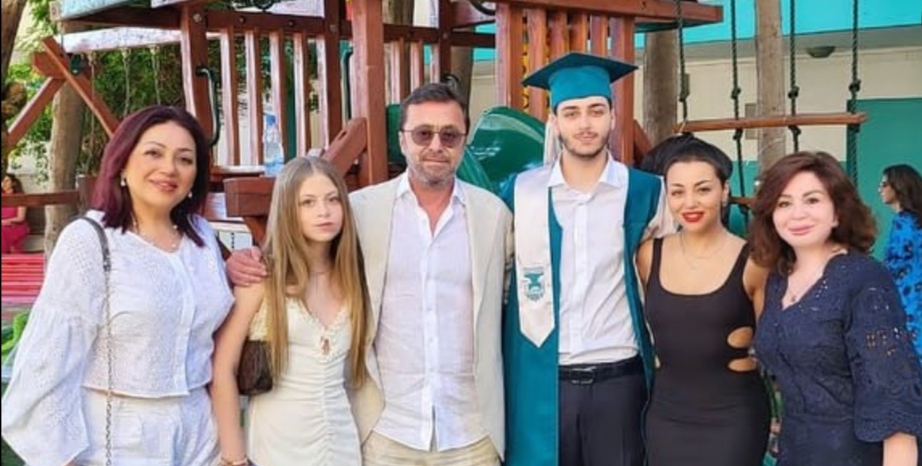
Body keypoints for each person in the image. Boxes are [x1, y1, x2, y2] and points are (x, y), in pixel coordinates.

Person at [226, 83, 512, 466]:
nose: (436, 145)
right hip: (385, 431)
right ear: (402, 139)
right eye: (423, 134)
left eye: (449, 135)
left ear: (464, 140)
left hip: (471, 434)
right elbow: (304, 247)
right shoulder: (360, 211)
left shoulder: (493, 216)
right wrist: (244, 260)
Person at [1, 105, 233, 465]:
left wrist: (238, 269)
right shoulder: (90, 240)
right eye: (154, 153)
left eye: (185, 159)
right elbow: (45, 364)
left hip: (202, 435)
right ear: (122, 162)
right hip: (118, 439)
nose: (169, 168)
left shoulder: (201, 238)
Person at [504, 52, 672, 466]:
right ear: (554, 121)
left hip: (620, 381)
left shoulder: (647, 192)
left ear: (613, 116)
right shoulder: (519, 193)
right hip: (542, 380)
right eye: (571, 113)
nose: (585, 124)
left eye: (596, 111)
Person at [749, 151, 922, 466]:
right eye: (784, 203)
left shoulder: (863, 279)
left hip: (860, 454)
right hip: (799, 450)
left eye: (812, 200)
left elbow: (896, 403)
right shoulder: (778, 280)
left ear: (837, 212)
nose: (797, 214)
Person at [211, 156, 369, 465]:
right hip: (276, 448)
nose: (323, 211)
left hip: (340, 446)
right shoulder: (262, 278)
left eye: (333, 199)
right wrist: (234, 458)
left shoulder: (353, 278)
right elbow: (222, 369)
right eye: (307, 202)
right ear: (287, 209)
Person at [635, 138, 771, 466]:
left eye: (703, 189)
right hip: (666, 415)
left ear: (724, 191)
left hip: (733, 417)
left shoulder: (755, 262)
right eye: (677, 192)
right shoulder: (648, 255)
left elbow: (776, 345)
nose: (690, 202)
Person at [879, 164, 922, 421]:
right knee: (917, 355)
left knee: (903, 360)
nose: (879, 189)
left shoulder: (903, 224)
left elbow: (892, 266)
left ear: (899, 188)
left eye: (884, 184)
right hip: (915, 301)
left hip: (897, 302)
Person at [1, 173, 31, 253]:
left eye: (7, 181)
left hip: (16, 225)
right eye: (2, 181)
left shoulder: (20, 197)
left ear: (13, 183)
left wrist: (6, 221)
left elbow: (21, 218)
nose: (4, 183)